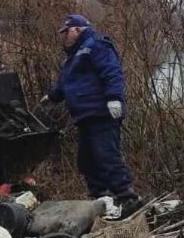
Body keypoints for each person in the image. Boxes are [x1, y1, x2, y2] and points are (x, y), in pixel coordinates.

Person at [43, 14, 142, 217]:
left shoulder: (96, 45)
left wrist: (114, 98)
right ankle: (102, 198)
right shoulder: (73, 57)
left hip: (101, 113)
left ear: (78, 29)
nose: (64, 37)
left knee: (106, 156)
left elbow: (112, 72)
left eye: (67, 32)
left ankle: (128, 197)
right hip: (84, 116)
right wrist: (51, 96)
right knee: (86, 161)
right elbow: (65, 84)